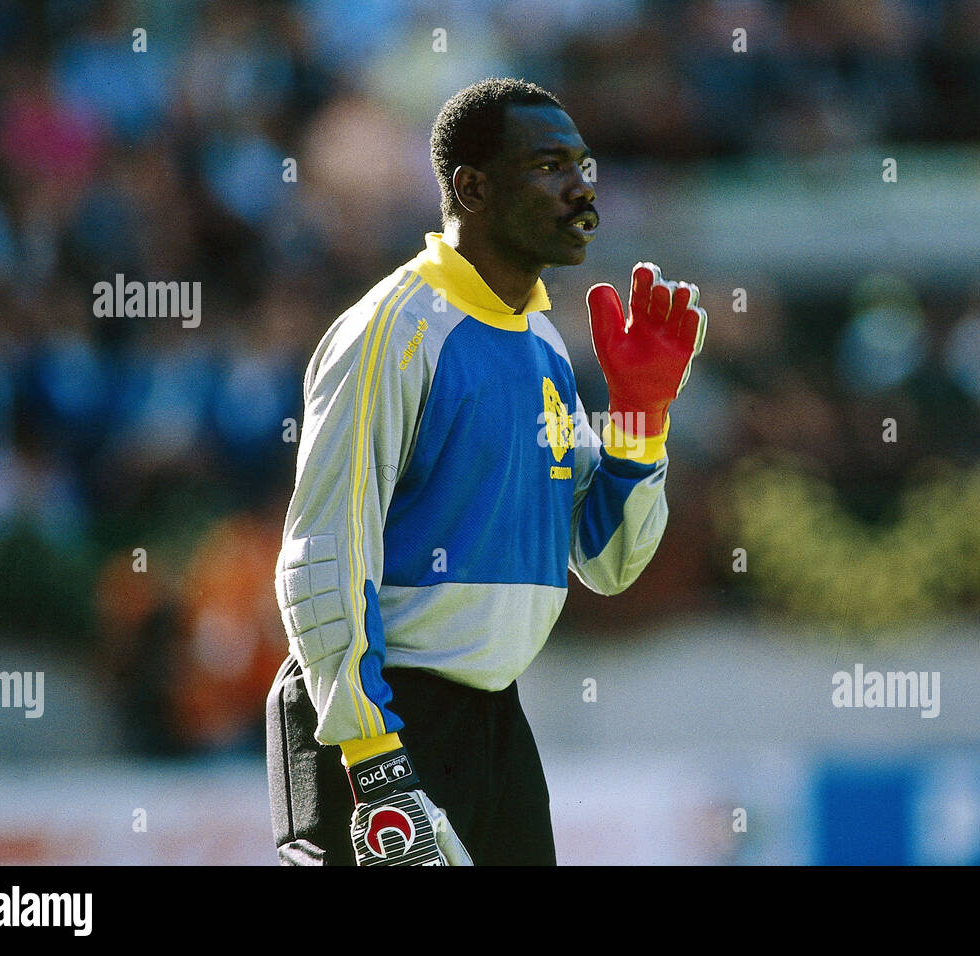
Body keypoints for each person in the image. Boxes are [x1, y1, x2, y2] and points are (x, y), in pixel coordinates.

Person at [265, 77, 706, 865]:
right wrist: (375, 759)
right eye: (547, 166)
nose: (579, 190)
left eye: (584, 166)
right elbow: (324, 552)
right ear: (470, 187)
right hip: (382, 722)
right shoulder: (393, 330)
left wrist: (637, 418)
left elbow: (605, 563)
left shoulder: (540, 338)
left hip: (495, 722)